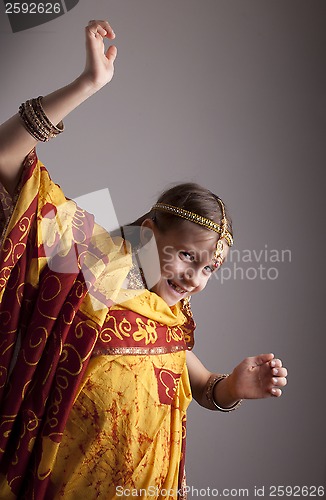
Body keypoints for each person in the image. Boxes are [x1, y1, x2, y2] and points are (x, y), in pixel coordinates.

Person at [0, 20, 288, 500]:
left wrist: (231, 387)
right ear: (151, 232)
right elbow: (8, 161)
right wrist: (87, 84)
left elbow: (190, 374)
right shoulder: (89, 264)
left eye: (209, 268)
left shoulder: (169, 313)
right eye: (186, 257)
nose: (195, 279)